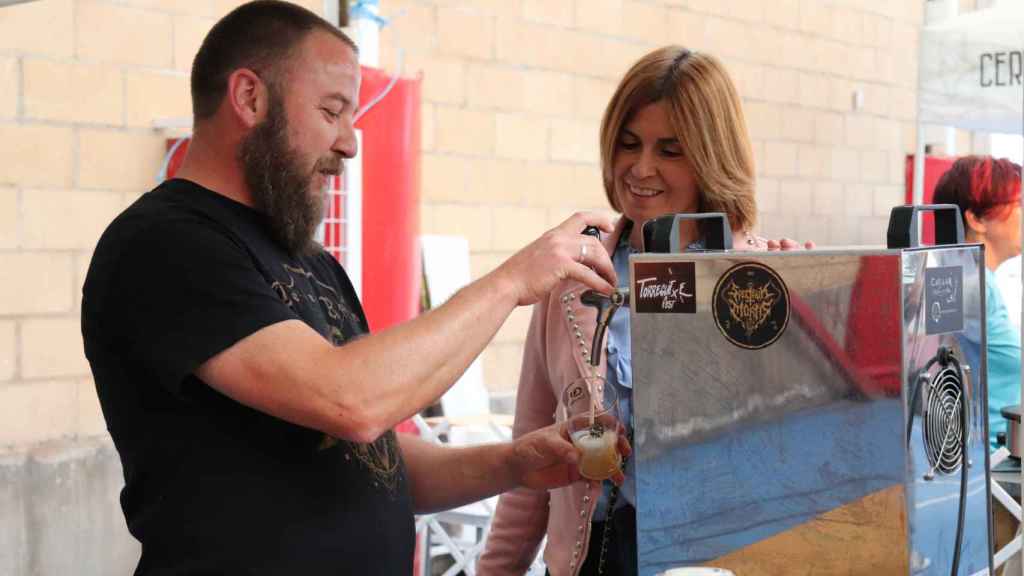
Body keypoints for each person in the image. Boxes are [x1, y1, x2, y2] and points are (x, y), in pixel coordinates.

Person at [80, 2, 628, 574]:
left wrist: (513, 463)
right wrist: (513, 280)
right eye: (332, 111)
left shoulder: (309, 261)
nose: (351, 143)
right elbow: (351, 402)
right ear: (249, 98)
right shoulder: (166, 245)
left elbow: (375, 461)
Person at [478, 46, 808, 576]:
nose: (642, 167)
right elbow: (528, 456)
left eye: (671, 150)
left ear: (711, 157)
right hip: (590, 559)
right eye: (628, 144)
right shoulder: (571, 276)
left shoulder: (766, 278)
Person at [932, 155, 1021, 452]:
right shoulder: (969, 283)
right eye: (1018, 204)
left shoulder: (969, 278)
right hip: (992, 464)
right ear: (977, 219)